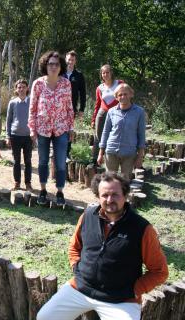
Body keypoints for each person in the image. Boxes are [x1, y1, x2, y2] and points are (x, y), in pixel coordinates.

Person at [37, 172, 168, 320]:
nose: (109, 199)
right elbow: (74, 246)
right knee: (44, 317)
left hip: (120, 299)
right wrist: (76, 268)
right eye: (104, 195)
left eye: (115, 195)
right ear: (98, 196)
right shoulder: (87, 216)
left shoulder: (142, 228)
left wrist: (135, 290)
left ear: (125, 196)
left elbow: (159, 271)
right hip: (80, 288)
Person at [29, 51, 74, 206]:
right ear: (45, 66)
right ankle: (43, 190)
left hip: (61, 129)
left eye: (56, 64)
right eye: (50, 64)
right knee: (42, 161)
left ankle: (60, 191)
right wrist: (32, 129)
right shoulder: (38, 84)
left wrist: (71, 128)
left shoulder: (66, 84)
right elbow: (32, 108)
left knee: (61, 162)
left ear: (61, 66)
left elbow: (69, 107)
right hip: (42, 129)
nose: (53, 67)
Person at [98, 83, 146, 180]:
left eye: (125, 94)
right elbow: (105, 132)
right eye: (120, 95)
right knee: (110, 180)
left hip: (129, 153)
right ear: (116, 97)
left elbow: (141, 134)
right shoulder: (111, 112)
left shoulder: (139, 112)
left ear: (131, 94)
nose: (123, 96)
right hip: (111, 151)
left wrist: (140, 157)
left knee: (125, 182)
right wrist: (100, 153)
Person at [92, 65, 123, 165]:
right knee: (98, 137)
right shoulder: (100, 88)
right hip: (102, 114)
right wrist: (93, 119)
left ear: (111, 73)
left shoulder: (119, 83)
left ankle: (114, 160)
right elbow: (97, 105)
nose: (105, 74)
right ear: (101, 75)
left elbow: (126, 97)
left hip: (117, 114)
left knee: (115, 136)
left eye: (107, 72)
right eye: (103, 73)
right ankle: (95, 161)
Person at [6, 79, 32, 191]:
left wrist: (34, 133)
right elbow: (8, 120)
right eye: (19, 87)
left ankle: (28, 183)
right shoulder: (12, 102)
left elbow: (35, 118)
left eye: (23, 87)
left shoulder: (31, 101)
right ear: (16, 89)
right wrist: (8, 136)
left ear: (27, 88)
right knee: (16, 161)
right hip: (15, 135)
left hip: (28, 136)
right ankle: (17, 183)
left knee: (28, 161)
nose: (21, 89)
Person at [64, 50, 86, 159]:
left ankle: (66, 153)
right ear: (65, 60)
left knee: (69, 130)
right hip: (58, 107)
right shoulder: (59, 73)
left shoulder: (78, 75)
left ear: (75, 61)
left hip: (71, 108)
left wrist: (81, 109)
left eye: (72, 60)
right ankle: (55, 152)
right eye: (69, 59)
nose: (70, 62)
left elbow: (83, 93)